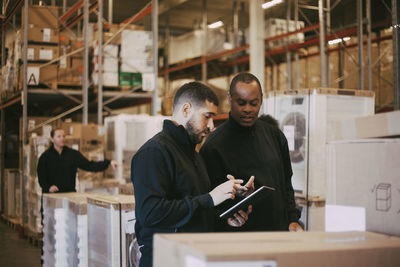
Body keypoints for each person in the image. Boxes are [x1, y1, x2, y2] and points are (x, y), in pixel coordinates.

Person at [131, 82, 249, 267]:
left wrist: (226, 216)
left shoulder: (193, 155)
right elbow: (150, 213)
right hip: (165, 259)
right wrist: (210, 198)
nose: (211, 126)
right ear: (186, 109)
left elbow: (193, 211)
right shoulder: (154, 152)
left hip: (192, 257)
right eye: (207, 117)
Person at [200, 72, 303, 232]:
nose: (247, 109)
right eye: (241, 103)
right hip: (240, 236)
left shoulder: (275, 136)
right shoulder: (214, 146)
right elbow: (208, 202)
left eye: (253, 103)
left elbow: (286, 184)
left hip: (278, 232)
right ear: (229, 99)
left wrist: (292, 219)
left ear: (261, 99)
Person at [37, 128, 118, 193]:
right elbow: (41, 176)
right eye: (59, 136)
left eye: (63, 136)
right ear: (52, 139)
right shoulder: (45, 157)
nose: (62, 138)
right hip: (51, 195)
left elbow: (89, 165)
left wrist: (108, 162)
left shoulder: (72, 154)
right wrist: (48, 187)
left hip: (69, 194)